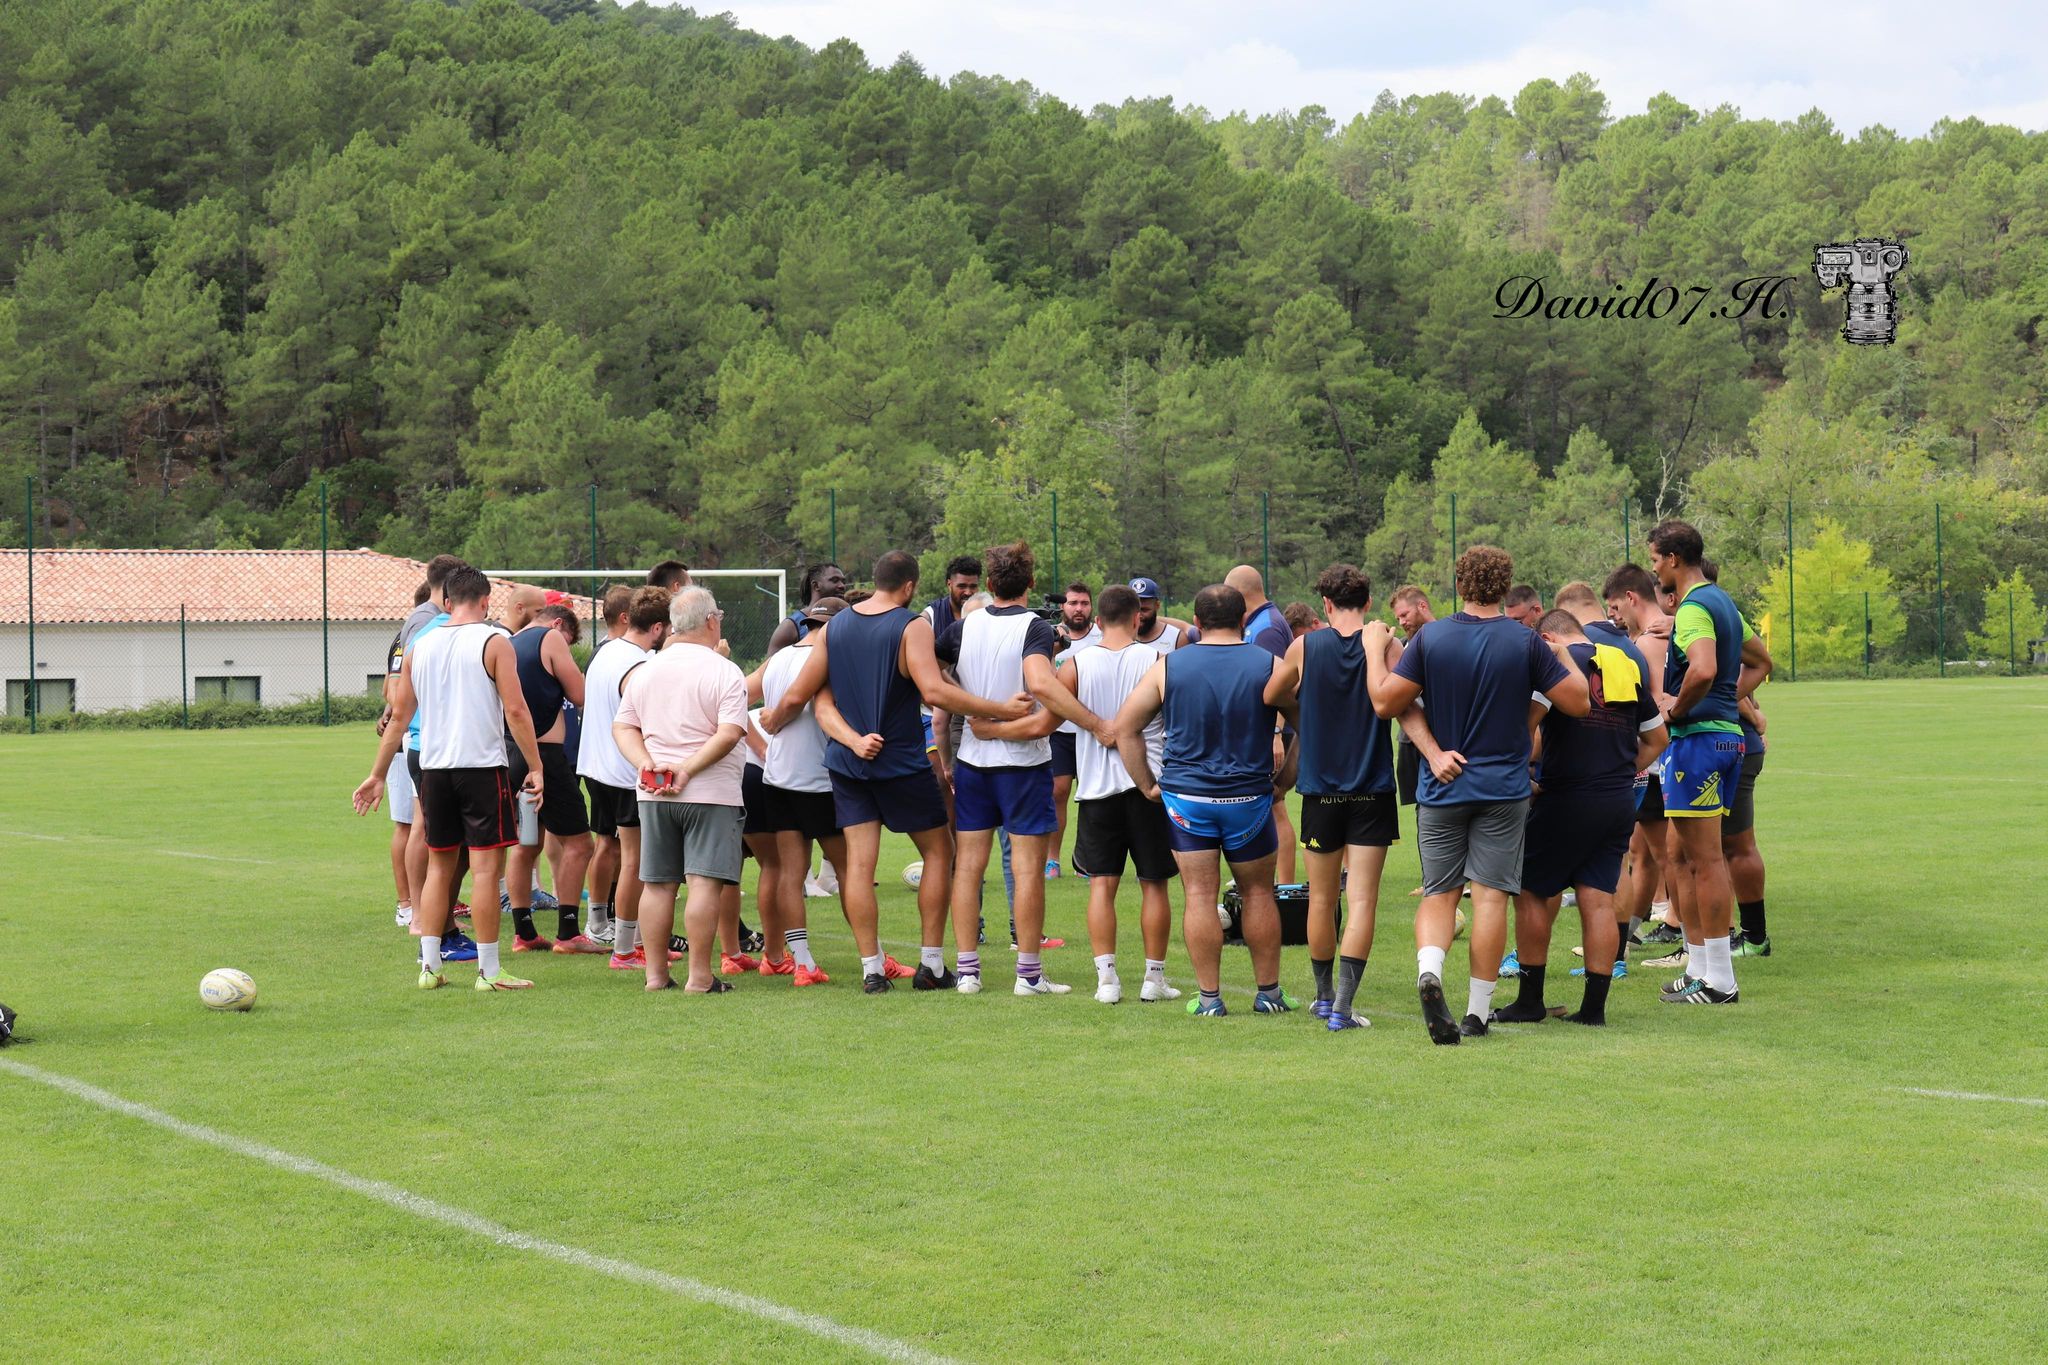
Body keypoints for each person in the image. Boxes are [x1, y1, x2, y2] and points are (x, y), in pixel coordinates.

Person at [760, 550, 1031, 995]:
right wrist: (999, 708)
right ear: (909, 587)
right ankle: (930, 965)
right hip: (903, 764)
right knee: (940, 855)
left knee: (859, 868)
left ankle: (871, 969)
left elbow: (807, 698)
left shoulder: (836, 627)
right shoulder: (912, 625)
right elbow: (934, 690)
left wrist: (821, 732)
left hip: (850, 768)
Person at [1362, 545, 1588, 1044]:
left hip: (1442, 786)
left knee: (1439, 893)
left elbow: (1385, 703)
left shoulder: (1432, 637)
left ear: (1460, 585)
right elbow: (1577, 702)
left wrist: (1371, 649)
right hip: (1504, 789)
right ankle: (1477, 1013)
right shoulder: (1525, 642)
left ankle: (1430, 972)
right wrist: (1562, 654)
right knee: (1490, 898)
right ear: (1505, 588)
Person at [1113, 583, 1299, 1019]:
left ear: (1196, 623)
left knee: (1199, 895)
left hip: (1187, 800)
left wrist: (1147, 785)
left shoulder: (1168, 665)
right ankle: (1268, 994)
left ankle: (1210, 999)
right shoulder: (1269, 663)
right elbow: (1305, 724)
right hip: (1249, 800)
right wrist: (1285, 779)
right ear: (1243, 621)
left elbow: (1124, 728)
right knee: (1257, 894)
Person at [354, 566, 543, 992]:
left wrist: (377, 774)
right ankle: (490, 973)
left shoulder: (421, 645)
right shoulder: (495, 641)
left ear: (446, 600)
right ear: (486, 601)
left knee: (440, 868)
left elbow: (399, 716)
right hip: (481, 768)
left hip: (433, 770)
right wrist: (536, 765)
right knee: (483, 870)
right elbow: (516, 711)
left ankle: (430, 966)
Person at [944, 544, 1111, 997]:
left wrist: (970, 711)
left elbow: (933, 676)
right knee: (1027, 869)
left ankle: (967, 973)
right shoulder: (1035, 627)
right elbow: (1039, 682)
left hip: (972, 762)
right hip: (1022, 765)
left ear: (990, 584)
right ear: (1031, 584)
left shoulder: (964, 625)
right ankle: (1028, 975)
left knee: (969, 868)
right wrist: (1094, 723)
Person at [1492, 608, 1667, 1026]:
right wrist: (1621, 770)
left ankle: (1530, 1000)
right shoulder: (1622, 663)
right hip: (1617, 801)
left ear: (1546, 636)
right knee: (1598, 898)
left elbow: (1524, 736)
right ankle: (1593, 1010)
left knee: (1532, 891)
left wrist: (1524, 777)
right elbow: (1658, 737)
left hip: (1567, 796)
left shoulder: (1552, 664)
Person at [1265, 565, 1408, 1030]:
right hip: (1372, 790)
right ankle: (1343, 1009)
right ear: (1369, 603)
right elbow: (1404, 702)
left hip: (1320, 793)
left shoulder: (1304, 646)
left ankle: (1325, 999)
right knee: (1362, 900)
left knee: (1322, 899)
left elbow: (1271, 693)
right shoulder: (1387, 646)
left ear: (1324, 605)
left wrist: (1304, 713)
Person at [610, 586, 748, 993]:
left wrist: (644, 763)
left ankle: (655, 975)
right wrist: (687, 769)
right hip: (710, 792)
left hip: (654, 792)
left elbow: (623, 725)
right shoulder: (724, 671)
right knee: (704, 882)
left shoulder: (646, 668)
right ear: (710, 621)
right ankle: (700, 976)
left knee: (658, 883)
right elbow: (730, 733)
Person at [1053, 585, 1179, 1004]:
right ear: (1137, 616)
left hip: (1095, 790)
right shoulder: (1159, 661)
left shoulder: (1074, 664)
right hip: (1150, 787)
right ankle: (1153, 979)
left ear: (1097, 619)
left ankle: (1107, 981)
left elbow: (1048, 714)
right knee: (1154, 886)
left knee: (1101, 887)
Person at [1647, 520, 1751, 1005]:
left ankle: (1720, 982)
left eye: (1654, 560)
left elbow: (1704, 668)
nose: (1654, 570)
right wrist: (1730, 702)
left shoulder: (1692, 607)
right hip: (1726, 740)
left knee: (1705, 861)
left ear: (1672, 559)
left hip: (1700, 743)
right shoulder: (1723, 601)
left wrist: (1677, 707)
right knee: (1684, 856)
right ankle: (1702, 969)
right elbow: (1759, 659)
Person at [752, 597, 850, 987]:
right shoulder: (829, 658)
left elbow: (738, 697)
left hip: (778, 778)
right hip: (818, 779)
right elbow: (795, 703)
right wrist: (774, 720)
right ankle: (873, 958)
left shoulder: (777, 659)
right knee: (850, 869)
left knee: (791, 874)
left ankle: (803, 963)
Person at [390, 555, 479, 962]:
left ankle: (431, 924)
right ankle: (421, 917)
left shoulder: (421, 628)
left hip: (425, 746)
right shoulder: (428, 628)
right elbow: (399, 695)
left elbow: (396, 695)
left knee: (432, 834)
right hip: (439, 748)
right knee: (431, 834)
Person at [581, 587, 675, 971]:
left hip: (596, 766)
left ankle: (607, 929)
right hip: (625, 773)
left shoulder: (608, 651)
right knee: (637, 860)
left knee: (607, 847)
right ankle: (624, 950)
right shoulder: (638, 666)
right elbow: (645, 721)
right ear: (657, 627)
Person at [502, 602, 595, 952]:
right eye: (569, 642)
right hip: (545, 756)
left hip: (511, 751)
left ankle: (524, 933)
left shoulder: (507, 642)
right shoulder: (549, 638)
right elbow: (580, 694)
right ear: (557, 624)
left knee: (527, 843)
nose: (566, 649)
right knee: (579, 843)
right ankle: (568, 933)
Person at [1603, 563, 1680, 956]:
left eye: (1616, 608)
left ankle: (1684, 934)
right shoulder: (1675, 628)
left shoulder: (1647, 644)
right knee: (1645, 852)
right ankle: (1625, 937)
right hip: (1668, 757)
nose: (1614, 618)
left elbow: (1650, 708)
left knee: (1669, 853)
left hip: (1657, 760)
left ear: (1631, 598)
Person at [1702, 560, 1775, 958]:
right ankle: (1708, 935)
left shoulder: (1713, 617)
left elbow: (1733, 682)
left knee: (1734, 846)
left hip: (1732, 744)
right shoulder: (1723, 614)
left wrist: (1750, 713)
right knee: (1712, 849)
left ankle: (1752, 936)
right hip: (1733, 743)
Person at [380, 579, 433, 930]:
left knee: (421, 825)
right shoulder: (410, 639)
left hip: (414, 741)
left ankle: (428, 899)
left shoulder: (412, 638)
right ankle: (407, 904)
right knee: (408, 825)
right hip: (408, 743)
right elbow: (391, 687)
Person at [1047, 580, 1100, 880]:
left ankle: (1086, 860)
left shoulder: (1102, 638)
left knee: (1092, 796)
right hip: (1059, 729)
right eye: (1072, 603)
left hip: (1091, 730)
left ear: (1091, 607)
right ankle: (1052, 860)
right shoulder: (1049, 636)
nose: (1078, 609)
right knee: (1058, 792)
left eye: (1084, 603)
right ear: (1062, 607)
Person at [766, 562, 849, 656]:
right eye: (834, 580)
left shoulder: (846, 620)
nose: (842, 586)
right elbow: (771, 667)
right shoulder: (791, 626)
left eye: (843, 582)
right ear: (816, 585)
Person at [1129, 578, 1191, 653]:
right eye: (1133, 610)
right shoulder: (1119, 636)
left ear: (1157, 605)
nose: (1138, 616)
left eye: (1144, 610)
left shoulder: (1177, 639)